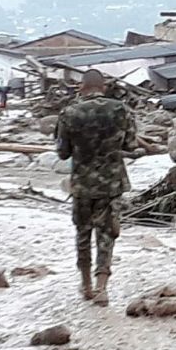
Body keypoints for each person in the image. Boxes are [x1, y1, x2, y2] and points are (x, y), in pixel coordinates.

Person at [56, 69, 137, 306]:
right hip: (112, 183)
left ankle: (85, 285)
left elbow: (62, 153)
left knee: (82, 232)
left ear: (82, 87)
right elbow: (131, 144)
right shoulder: (121, 110)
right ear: (103, 87)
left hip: (82, 184)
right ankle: (102, 288)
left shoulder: (69, 113)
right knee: (107, 234)